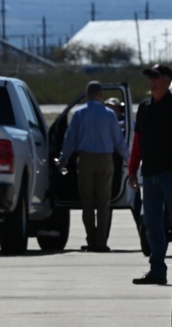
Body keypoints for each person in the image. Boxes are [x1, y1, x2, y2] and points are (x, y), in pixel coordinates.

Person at [126, 63, 172, 286]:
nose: (152, 81)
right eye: (150, 77)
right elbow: (137, 142)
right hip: (150, 175)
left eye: (157, 77)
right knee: (151, 223)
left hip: (171, 175)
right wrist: (132, 171)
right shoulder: (145, 108)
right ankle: (157, 270)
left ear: (168, 81)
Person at [57, 81, 128, 252]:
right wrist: (129, 159)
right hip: (105, 159)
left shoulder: (79, 114)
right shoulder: (110, 114)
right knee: (104, 202)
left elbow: (70, 139)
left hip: (86, 159)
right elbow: (119, 140)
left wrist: (63, 158)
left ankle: (90, 240)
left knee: (87, 202)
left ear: (87, 94)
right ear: (101, 95)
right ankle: (101, 242)